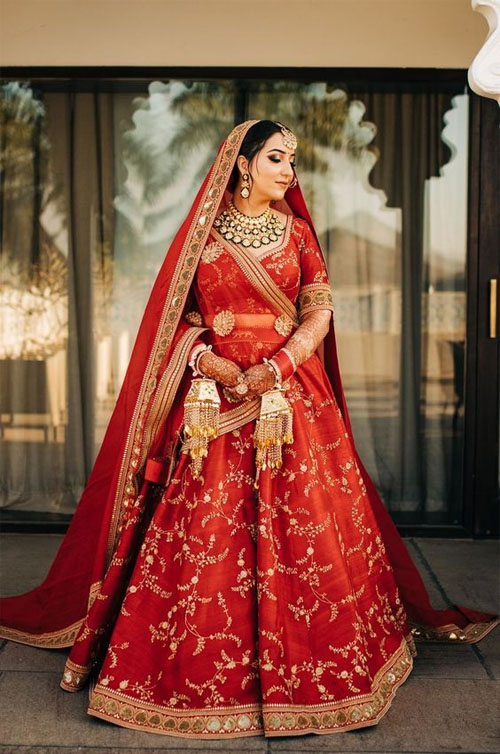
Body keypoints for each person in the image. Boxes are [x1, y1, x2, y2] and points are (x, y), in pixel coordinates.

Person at [0, 119, 498, 740]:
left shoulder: (298, 236)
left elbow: (319, 311)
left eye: (293, 161)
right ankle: (195, 668)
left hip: (289, 398)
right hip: (213, 400)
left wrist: (278, 366)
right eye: (277, 159)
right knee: (203, 531)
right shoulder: (201, 241)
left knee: (310, 527)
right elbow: (175, 320)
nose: (290, 171)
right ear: (242, 164)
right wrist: (205, 359)